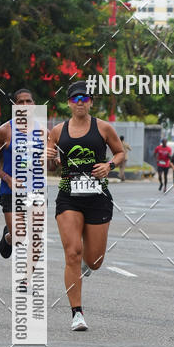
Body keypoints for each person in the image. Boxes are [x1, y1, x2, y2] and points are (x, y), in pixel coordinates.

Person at [47, 80, 124, 331]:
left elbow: (120, 153)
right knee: (72, 252)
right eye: (75, 99)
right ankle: (77, 313)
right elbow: (50, 165)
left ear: (91, 102)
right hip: (69, 195)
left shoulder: (103, 128)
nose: (80, 103)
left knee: (95, 260)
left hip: (97, 197)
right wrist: (50, 159)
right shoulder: (58, 131)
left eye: (85, 99)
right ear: (69, 103)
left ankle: (86, 265)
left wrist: (109, 166)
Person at [0, 86, 36, 260]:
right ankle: (8, 237)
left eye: (28, 101)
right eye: (20, 102)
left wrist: (54, 161)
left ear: (34, 105)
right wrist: (7, 178)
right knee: (19, 237)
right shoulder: (5, 131)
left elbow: (51, 166)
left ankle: (26, 279)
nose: (25, 104)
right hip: (10, 191)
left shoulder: (44, 132)